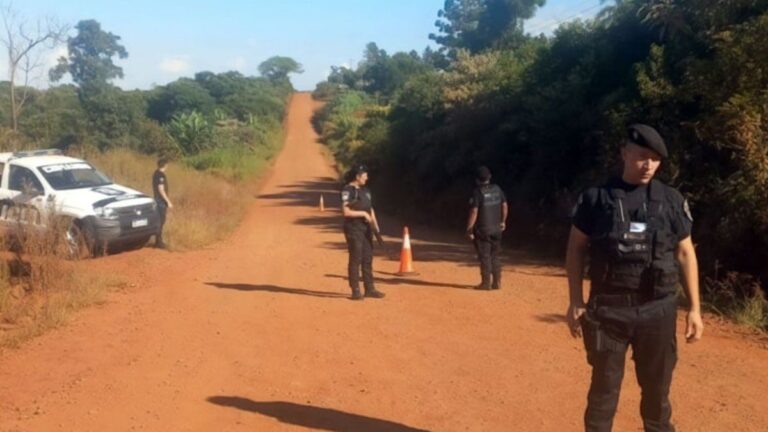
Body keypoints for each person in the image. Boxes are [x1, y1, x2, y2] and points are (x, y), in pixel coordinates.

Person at [565, 124, 704, 432]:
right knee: (603, 392)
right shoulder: (595, 199)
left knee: (657, 394)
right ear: (624, 153)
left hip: (658, 311)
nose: (648, 165)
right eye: (642, 156)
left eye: (655, 159)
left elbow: (685, 253)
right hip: (608, 312)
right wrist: (575, 301)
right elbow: (575, 249)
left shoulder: (670, 199)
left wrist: (695, 308)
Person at [341, 164, 385, 300]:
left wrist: (376, 229)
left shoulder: (366, 191)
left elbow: (371, 210)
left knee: (367, 258)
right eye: (364, 175)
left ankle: (370, 288)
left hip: (366, 228)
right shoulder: (348, 190)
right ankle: (355, 290)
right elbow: (346, 212)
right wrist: (363, 214)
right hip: (354, 228)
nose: (367, 178)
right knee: (356, 258)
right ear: (357, 176)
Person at [465, 166, 508, 290]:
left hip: (483, 230)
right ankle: (497, 281)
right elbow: (504, 205)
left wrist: (469, 228)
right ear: (489, 177)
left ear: (477, 180)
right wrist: (503, 221)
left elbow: (474, 211)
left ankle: (486, 283)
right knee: (495, 255)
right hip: (497, 229)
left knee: (485, 256)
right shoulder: (497, 189)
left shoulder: (477, 192)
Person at [152, 158, 173, 249]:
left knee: (160, 221)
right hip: (161, 201)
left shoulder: (155, 173)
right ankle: (158, 242)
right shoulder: (161, 175)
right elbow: (161, 189)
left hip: (157, 199)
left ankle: (158, 241)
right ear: (165, 165)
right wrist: (168, 202)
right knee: (161, 221)